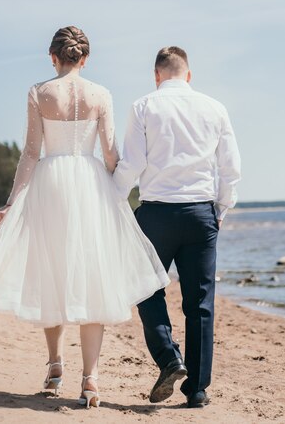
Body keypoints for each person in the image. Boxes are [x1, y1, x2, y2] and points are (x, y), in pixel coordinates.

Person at [0, 26, 169, 408]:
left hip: (51, 184)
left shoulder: (39, 92)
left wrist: (12, 202)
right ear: (85, 58)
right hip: (90, 183)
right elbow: (110, 153)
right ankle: (90, 379)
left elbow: (30, 152)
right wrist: (115, 191)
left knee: (52, 271)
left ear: (53, 56)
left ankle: (55, 364)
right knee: (93, 277)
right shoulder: (101, 94)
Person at [113, 46, 241, 409]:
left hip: (156, 214)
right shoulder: (215, 108)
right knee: (200, 304)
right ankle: (197, 390)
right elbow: (230, 167)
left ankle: (170, 358)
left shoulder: (143, 106)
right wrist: (220, 209)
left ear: (156, 76)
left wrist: (113, 198)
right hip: (201, 213)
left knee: (144, 285)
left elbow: (133, 163)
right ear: (189, 74)